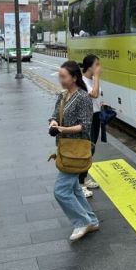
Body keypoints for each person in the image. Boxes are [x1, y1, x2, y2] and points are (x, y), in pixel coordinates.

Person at [49, 60, 99, 242]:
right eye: (60, 76)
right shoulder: (62, 96)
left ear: (74, 78)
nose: (60, 79)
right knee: (75, 189)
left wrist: (62, 129)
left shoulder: (83, 97)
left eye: (64, 76)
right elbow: (54, 115)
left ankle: (81, 222)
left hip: (76, 152)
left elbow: (85, 126)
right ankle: (91, 221)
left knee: (61, 191)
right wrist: (53, 122)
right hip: (64, 148)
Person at [79, 54, 103, 197]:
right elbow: (94, 94)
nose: (99, 67)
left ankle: (84, 179)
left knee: (91, 149)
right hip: (87, 119)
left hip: (96, 115)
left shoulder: (92, 79)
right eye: (97, 65)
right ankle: (80, 184)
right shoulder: (82, 81)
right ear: (89, 67)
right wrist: (97, 77)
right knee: (86, 151)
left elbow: (97, 96)